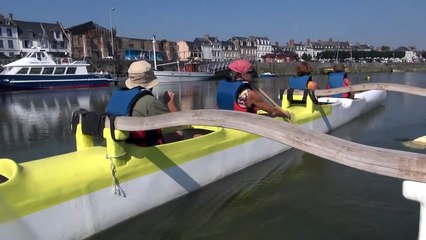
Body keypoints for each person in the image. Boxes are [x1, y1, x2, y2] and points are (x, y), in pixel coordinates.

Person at [106, 60, 189, 146]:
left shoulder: (116, 96)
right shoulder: (148, 100)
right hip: (140, 147)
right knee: (180, 132)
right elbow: (179, 123)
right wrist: (170, 103)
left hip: (120, 144)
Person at [217, 59, 290, 119]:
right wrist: (286, 114)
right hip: (243, 125)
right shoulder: (250, 94)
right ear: (243, 74)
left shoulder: (221, 86)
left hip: (226, 121)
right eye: (251, 72)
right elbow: (273, 112)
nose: (253, 74)